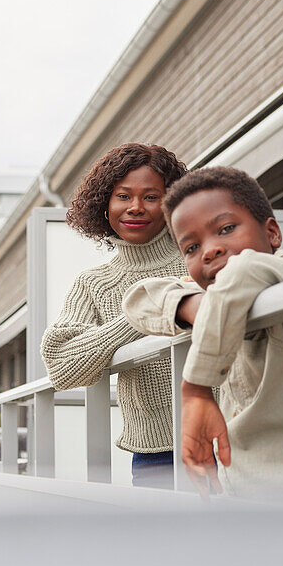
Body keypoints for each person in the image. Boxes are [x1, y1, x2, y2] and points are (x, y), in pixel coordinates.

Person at [122, 166, 283, 499]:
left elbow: (246, 270)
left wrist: (197, 390)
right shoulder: (222, 299)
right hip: (246, 489)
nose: (210, 250)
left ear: (272, 233)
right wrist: (195, 305)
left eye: (227, 228)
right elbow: (138, 297)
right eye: (191, 248)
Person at [41, 142, 188, 489]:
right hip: (156, 453)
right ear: (104, 204)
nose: (135, 208)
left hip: (225, 436)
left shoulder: (198, 260)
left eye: (151, 197)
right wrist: (141, 314)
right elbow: (61, 365)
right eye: (123, 196)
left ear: (173, 203)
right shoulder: (94, 284)